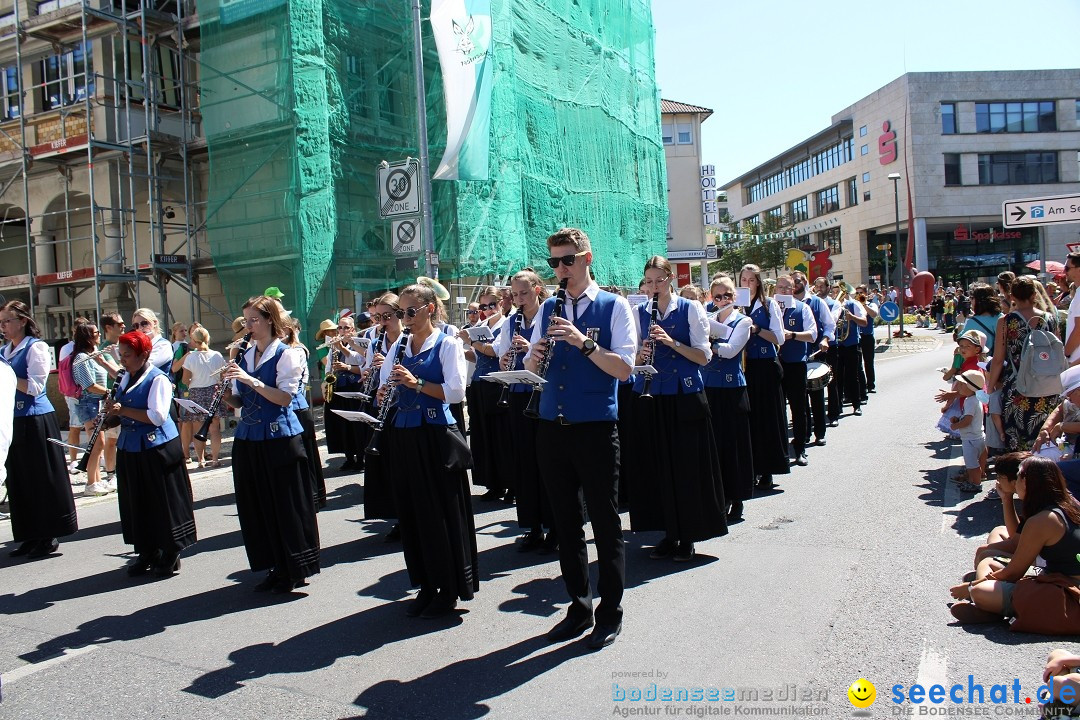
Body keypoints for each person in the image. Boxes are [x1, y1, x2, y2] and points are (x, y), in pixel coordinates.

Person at [524, 227, 637, 650]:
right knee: (566, 524)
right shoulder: (549, 308)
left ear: (586, 258)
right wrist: (532, 358)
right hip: (552, 426)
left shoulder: (615, 306)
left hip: (595, 428)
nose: (559, 269)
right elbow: (536, 369)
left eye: (566, 260)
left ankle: (611, 611)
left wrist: (583, 342)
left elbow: (624, 369)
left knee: (606, 523)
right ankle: (578, 606)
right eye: (553, 262)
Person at [377, 282, 476, 618]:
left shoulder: (447, 345)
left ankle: (448, 587)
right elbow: (383, 385)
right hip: (403, 436)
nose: (404, 319)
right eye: (399, 313)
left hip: (434, 436)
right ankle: (424, 583)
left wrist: (416, 383)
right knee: (412, 514)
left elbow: (455, 393)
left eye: (409, 312)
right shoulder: (398, 347)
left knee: (438, 515)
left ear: (429, 309)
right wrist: (382, 394)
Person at [628, 256, 725, 563]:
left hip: (685, 395)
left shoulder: (690, 308)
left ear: (670, 279)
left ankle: (689, 535)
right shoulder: (638, 312)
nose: (653, 287)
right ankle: (668, 533)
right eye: (649, 281)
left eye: (659, 280)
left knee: (687, 467)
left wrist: (671, 343)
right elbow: (629, 362)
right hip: (651, 394)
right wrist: (642, 356)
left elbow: (703, 356)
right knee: (658, 466)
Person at [224, 295, 320, 594]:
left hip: (280, 438)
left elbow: (284, 398)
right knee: (258, 507)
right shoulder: (244, 354)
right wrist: (225, 395)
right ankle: (274, 566)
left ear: (269, 320)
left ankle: (294, 568)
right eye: (246, 321)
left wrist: (250, 380)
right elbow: (241, 401)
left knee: (285, 506)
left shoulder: (287, 354)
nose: (248, 327)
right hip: (249, 438)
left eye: (254, 320)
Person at [948, 456, 1080, 631]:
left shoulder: (1044, 520)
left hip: (1068, 591)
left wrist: (972, 588)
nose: (1015, 482)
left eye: (1018, 477)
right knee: (988, 562)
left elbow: (1014, 572)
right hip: (1055, 576)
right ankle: (990, 607)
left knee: (981, 592)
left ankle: (989, 609)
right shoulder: (1065, 502)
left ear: (1026, 482)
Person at [106, 330, 197, 577]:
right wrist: (109, 418)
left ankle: (170, 551)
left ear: (144, 354)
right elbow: (121, 410)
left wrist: (122, 409)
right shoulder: (125, 376)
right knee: (137, 502)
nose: (122, 360)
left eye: (127, 355)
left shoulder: (158, 379)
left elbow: (157, 416)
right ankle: (146, 550)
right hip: (131, 447)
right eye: (121, 355)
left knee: (162, 502)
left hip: (157, 447)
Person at [0, 300, 78, 559]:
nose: (3, 326)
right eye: (1, 322)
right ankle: (28, 534)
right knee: (19, 479)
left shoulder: (37, 348)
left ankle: (47, 534)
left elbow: (35, 387)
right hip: (12, 420)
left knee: (40, 478)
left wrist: (8, 377)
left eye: (7, 321)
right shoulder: (4, 350)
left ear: (22, 321)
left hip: (35, 419)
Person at [493, 270, 556, 553]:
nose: (519, 300)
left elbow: (554, 353)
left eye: (524, 293)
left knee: (549, 462)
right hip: (519, 394)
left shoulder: (551, 314)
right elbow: (502, 358)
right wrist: (506, 359)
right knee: (524, 462)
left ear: (537, 289)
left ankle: (556, 527)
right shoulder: (511, 322)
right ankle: (531, 526)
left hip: (544, 394)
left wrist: (529, 347)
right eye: (514, 295)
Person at [986, 276, 1062, 451]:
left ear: (1012, 296)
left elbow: (998, 359)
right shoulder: (1050, 318)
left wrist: (990, 387)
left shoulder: (1006, 321)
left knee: (1018, 442)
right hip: (1049, 386)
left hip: (1018, 387)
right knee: (1045, 441)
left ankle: (1021, 476)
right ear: (1034, 294)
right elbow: (1057, 350)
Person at [702, 275, 754, 522]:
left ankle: (738, 497)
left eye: (728, 296)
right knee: (714, 446)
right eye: (718, 296)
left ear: (735, 297)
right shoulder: (708, 318)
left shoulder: (744, 321)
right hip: (709, 387)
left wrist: (709, 345)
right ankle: (717, 497)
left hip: (732, 390)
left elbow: (731, 350)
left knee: (733, 445)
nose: (723, 300)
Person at [740, 263, 790, 490]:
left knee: (767, 419)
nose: (747, 284)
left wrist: (757, 330)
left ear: (758, 283)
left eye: (751, 280)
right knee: (748, 421)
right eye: (743, 280)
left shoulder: (769, 306)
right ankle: (750, 469)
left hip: (765, 367)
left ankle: (768, 469)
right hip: (744, 368)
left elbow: (779, 338)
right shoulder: (736, 305)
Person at [362, 292, 405, 534]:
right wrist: (371, 371)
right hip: (383, 405)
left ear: (399, 314)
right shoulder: (375, 341)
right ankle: (394, 513)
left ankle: (406, 516)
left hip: (405, 406)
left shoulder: (409, 339)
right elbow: (368, 371)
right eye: (377, 317)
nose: (381, 322)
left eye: (386, 316)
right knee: (385, 462)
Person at [462, 287, 507, 501]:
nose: (488, 310)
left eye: (492, 305)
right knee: (482, 435)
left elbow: (494, 351)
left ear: (500, 304)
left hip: (496, 384)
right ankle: (492, 483)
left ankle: (508, 483)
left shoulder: (505, 323)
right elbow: (478, 356)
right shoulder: (480, 325)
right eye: (484, 306)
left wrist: (471, 342)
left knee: (499, 436)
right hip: (479, 384)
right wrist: (460, 349)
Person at [775, 274, 818, 467]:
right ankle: (780, 449)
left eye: (787, 288)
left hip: (795, 364)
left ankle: (800, 447)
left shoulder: (803, 308)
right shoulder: (769, 308)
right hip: (774, 364)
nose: (784, 291)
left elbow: (812, 334)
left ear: (793, 290)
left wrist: (791, 335)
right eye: (780, 288)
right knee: (777, 410)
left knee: (798, 407)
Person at [70, 322, 111, 495]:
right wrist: (109, 391)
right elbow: (89, 385)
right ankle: (90, 483)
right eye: (96, 332)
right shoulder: (81, 358)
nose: (99, 334)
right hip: (88, 404)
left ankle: (98, 480)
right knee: (97, 443)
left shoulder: (90, 355)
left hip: (96, 403)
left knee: (98, 443)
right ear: (88, 337)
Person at [793, 271, 833, 447]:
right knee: (799, 401)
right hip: (795, 358)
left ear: (805, 282)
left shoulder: (817, 302)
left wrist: (825, 339)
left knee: (816, 397)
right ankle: (803, 434)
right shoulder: (786, 304)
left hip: (814, 353)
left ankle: (820, 433)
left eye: (798, 280)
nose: (795, 283)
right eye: (792, 280)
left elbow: (830, 324)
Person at [180, 326, 226, 468]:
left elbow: (184, 380)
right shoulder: (217, 355)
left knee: (198, 428)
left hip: (197, 392)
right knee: (214, 428)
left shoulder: (190, 358)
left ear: (194, 340)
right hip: (214, 391)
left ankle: (201, 460)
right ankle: (215, 459)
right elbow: (223, 376)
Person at [950, 369, 987, 494]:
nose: (958, 386)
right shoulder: (975, 399)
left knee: (972, 463)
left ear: (970, 387)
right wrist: (958, 419)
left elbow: (968, 420)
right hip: (979, 436)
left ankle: (975, 484)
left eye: (961, 384)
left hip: (970, 439)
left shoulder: (970, 401)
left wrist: (956, 426)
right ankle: (977, 477)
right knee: (979, 460)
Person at [834, 285, 868, 417]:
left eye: (839, 292)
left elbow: (864, 322)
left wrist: (852, 317)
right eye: (835, 292)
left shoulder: (854, 304)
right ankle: (838, 406)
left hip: (852, 344)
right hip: (838, 344)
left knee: (853, 376)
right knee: (837, 378)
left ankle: (857, 405)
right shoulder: (833, 305)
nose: (836, 295)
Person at [132, 308, 175, 375]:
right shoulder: (140, 346)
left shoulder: (163, 345)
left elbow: (144, 368)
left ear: (155, 323)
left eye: (144, 323)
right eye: (136, 326)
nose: (140, 328)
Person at [856, 285, 878, 397]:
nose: (859, 295)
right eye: (857, 293)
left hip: (868, 337)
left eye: (861, 292)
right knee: (858, 364)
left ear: (865, 293)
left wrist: (864, 304)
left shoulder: (871, 304)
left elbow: (873, 314)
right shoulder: (855, 305)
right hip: (857, 338)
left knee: (868, 362)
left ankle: (871, 385)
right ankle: (861, 386)